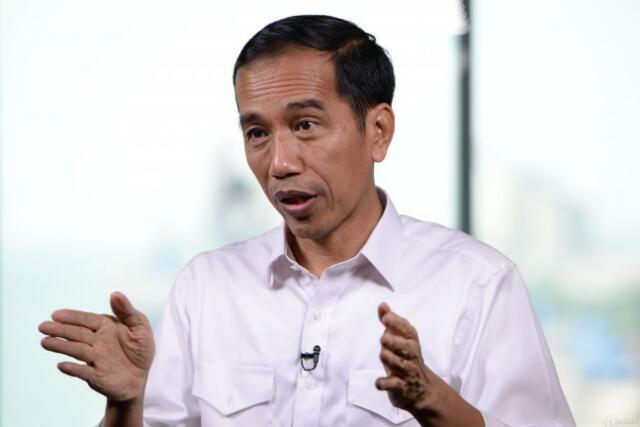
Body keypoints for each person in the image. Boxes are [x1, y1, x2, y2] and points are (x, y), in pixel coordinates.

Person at [38, 15, 575, 427]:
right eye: (257, 133)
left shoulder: (477, 284)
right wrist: (127, 405)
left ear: (378, 131)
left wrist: (434, 402)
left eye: (305, 125)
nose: (279, 162)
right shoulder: (206, 287)